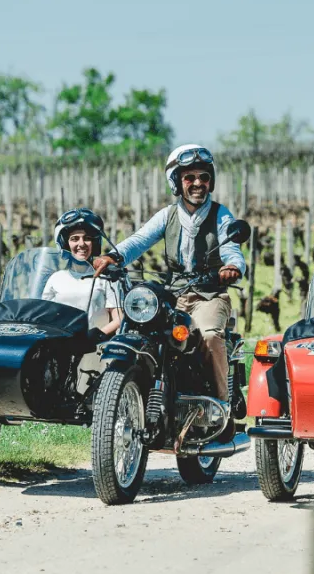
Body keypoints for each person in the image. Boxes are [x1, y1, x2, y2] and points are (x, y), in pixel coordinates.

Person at [93, 144, 246, 407]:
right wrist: (113, 256)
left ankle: (222, 406)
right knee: (145, 330)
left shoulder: (221, 215)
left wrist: (232, 266)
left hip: (208, 296)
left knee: (209, 335)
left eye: (204, 177)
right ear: (176, 181)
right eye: (190, 178)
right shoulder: (167, 215)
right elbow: (139, 240)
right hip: (173, 295)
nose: (198, 183)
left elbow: (232, 247)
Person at [42, 208, 122, 342]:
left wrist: (95, 336)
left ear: (94, 243)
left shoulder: (107, 278)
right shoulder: (55, 279)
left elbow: (119, 318)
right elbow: (43, 316)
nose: (81, 244)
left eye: (87, 238)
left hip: (95, 347)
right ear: (65, 244)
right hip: (61, 346)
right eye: (74, 239)